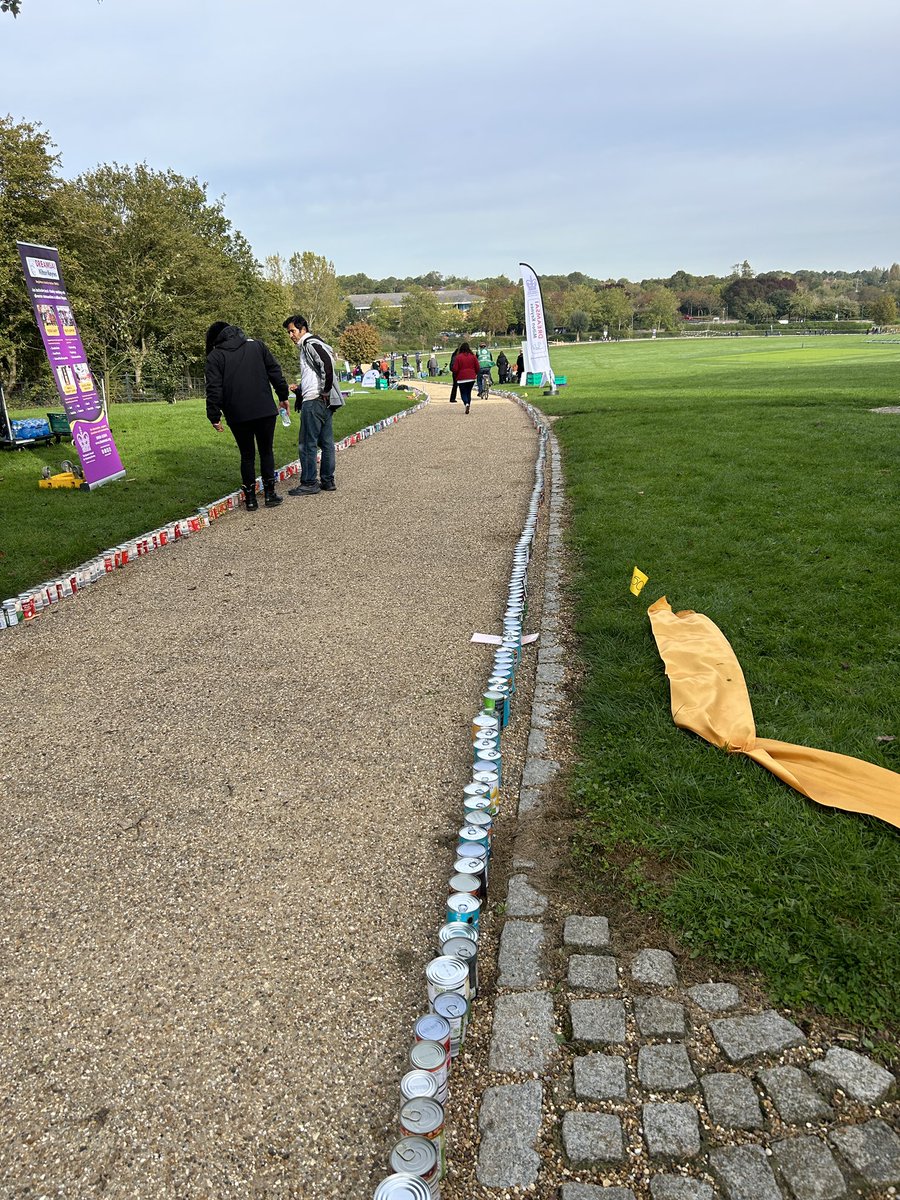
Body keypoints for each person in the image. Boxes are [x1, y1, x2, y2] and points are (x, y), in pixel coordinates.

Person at [205, 320, 289, 510]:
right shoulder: (257, 346)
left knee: (247, 454)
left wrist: (214, 415)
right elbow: (275, 372)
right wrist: (282, 395)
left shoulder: (215, 357)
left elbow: (214, 388)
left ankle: (250, 498)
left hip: (237, 413)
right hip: (264, 409)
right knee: (266, 451)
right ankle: (270, 493)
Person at [282, 314, 338, 495]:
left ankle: (309, 482)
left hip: (315, 400)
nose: (291, 335)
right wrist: (299, 389)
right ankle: (328, 480)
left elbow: (327, 364)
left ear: (303, 329)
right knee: (326, 442)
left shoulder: (309, 344)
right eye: (288, 332)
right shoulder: (315, 344)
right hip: (321, 400)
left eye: (292, 331)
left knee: (307, 443)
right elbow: (316, 373)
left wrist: (324, 391)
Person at [451, 341, 479, 414]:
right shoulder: (473, 356)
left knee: (463, 392)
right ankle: (468, 404)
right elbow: (477, 367)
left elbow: (455, 369)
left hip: (461, 378)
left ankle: (466, 403)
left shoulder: (458, 357)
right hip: (471, 377)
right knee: (468, 392)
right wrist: (475, 373)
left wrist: (456, 374)